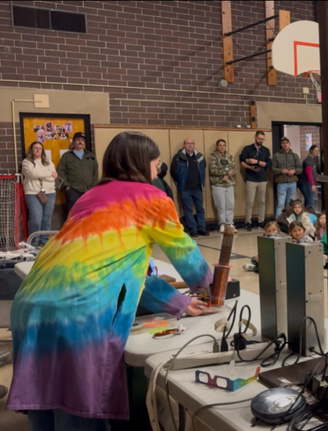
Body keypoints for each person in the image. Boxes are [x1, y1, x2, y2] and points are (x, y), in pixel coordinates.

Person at [7, 131, 213, 427]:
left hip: (30, 304)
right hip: (78, 312)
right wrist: (210, 288)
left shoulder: (89, 197)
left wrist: (177, 301)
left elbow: (117, 270)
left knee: (46, 405)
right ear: (143, 165)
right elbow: (186, 254)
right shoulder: (153, 198)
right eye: (155, 164)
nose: (157, 171)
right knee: (79, 410)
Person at [170, 138, 208, 236]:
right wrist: (179, 182)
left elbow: (203, 169)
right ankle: (193, 229)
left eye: (192, 143)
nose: (190, 145)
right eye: (187, 143)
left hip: (198, 188)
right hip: (185, 189)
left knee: (200, 209)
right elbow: (173, 171)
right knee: (188, 210)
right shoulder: (178, 157)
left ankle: (201, 228)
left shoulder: (200, 157)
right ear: (184, 145)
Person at [21, 141, 57, 246]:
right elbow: (32, 173)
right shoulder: (26, 162)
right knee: (36, 218)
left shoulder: (48, 162)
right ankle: (34, 242)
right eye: (35, 148)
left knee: (47, 218)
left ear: (42, 150)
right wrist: (49, 173)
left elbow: (54, 177)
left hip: (49, 192)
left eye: (40, 148)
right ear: (31, 150)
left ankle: (44, 241)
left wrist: (43, 175)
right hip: (33, 193)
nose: (37, 150)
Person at [57, 131, 98, 214]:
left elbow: (95, 171)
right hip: (73, 190)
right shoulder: (67, 156)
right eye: (78, 140)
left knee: (88, 213)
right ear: (74, 142)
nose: (80, 142)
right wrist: (66, 186)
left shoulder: (91, 156)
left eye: (82, 140)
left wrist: (94, 186)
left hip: (89, 190)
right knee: (73, 213)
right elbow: (60, 171)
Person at [240, 131, 271, 231]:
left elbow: (268, 163)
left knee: (262, 201)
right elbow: (242, 161)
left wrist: (257, 162)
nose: (260, 141)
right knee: (250, 202)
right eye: (259, 139)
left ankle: (261, 222)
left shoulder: (266, 150)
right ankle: (248, 222)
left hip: (262, 178)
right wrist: (250, 166)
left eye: (262, 139)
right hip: (251, 178)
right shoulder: (247, 148)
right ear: (255, 137)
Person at [209, 138, 236, 233]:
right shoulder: (213, 157)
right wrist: (224, 174)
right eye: (220, 145)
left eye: (223, 145)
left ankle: (230, 223)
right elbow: (213, 170)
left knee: (230, 204)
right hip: (218, 184)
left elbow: (233, 168)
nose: (222, 147)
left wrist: (228, 175)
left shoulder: (229, 156)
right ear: (217, 147)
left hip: (229, 184)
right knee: (221, 205)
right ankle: (222, 224)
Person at [273, 136, 302, 215]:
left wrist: (294, 171)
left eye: (287, 143)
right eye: (283, 143)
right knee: (280, 204)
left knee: (290, 204)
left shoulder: (294, 155)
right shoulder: (277, 155)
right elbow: (273, 169)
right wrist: (281, 171)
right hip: (282, 182)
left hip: (292, 182)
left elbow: (300, 168)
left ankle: (289, 221)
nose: (285, 145)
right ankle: (278, 222)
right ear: (281, 145)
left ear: (289, 144)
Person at [298, 144, 321, 209]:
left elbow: (313, 171)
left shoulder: (314, 159)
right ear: (311, 151)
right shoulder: (308, 160)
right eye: (315, 150)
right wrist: (312, 184)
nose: (317, 152)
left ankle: (306, 216)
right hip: (305, 183)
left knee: (308, 200)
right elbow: (308, 172)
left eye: (318, 150)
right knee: (310, 201)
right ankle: (309, 217)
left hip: (308, 183)